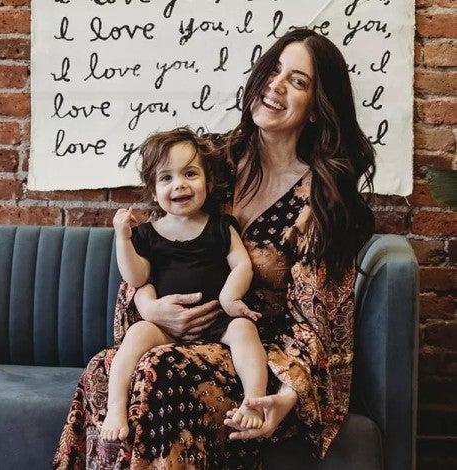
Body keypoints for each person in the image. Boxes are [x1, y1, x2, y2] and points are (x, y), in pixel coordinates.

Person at [54, 27, 375, 469]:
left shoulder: (319, 202)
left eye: (298, 81)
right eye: (273, 70)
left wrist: (283, 400)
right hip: (170, 334)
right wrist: (149, 306)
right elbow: (152, 247)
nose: (276, 86)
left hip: (254, 354)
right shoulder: (209, 162)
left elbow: (318, 324)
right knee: (103, 370)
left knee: (157, 374)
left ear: (318, 108)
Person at [102, 127, 268, 443]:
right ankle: (115, 407)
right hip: (166, 327)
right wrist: (122, 239)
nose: (179, 184)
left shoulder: (221, 226)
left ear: (208, 182)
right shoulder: (147, 235)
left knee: (246, 330)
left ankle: (254, 401)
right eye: (166, 178)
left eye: (190, 174)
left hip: (217, 321)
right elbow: (136, 278)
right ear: (152, 190)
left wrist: (231, 297)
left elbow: (241, 263)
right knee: (136, 334)